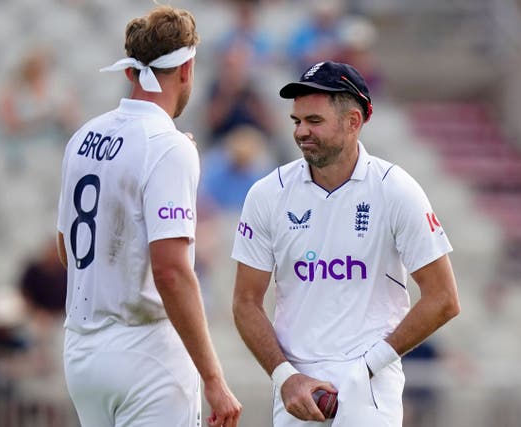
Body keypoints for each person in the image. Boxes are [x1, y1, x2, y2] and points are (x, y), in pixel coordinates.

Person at [231, 61, 460, 426]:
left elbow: (444, 299)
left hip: (369, 392)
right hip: (295, 392)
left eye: (314, 121)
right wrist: (284, 377)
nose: (301, 131)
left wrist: (368, 366)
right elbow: (245, 302)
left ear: (353, 122)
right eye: (297, 121)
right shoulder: (267, 194)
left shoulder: (395, 190)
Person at [56, 5, 241, 427]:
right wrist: (213, 378)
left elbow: (67, 251)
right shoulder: (169, 147)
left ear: (130, 72)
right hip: (146, 355)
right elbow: (172, 272)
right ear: (188, 69)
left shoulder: (83, 136)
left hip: (83, 354)